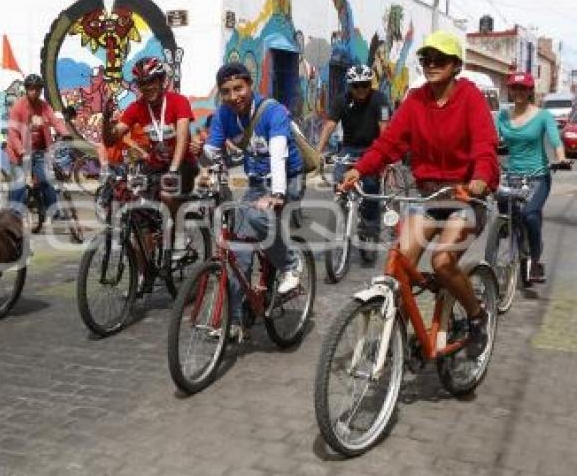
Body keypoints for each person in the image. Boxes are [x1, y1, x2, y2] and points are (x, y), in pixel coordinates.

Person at [342, 30, 499, 357]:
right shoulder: (415, 99)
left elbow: (485, 148)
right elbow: (388, 144)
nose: (431, 65)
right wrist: (360, 168)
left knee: (442, 261)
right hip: (426, 197)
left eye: (439, 59)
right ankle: (398, 333)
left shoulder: (470, 98)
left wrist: (480, 180)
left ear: (456, 65)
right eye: (426, 59)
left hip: (466, 198)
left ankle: (476, 316)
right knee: (400, 263)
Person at [202, 62, 304, 338]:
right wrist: (203, 165)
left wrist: (278, 194)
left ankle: (291, 264)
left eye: (239, 88)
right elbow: (211, 149)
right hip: (257, 183)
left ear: (250, 85)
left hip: (289, 178)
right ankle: (234, 322)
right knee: (238, 252)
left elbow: (278, 155)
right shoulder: (224, 114)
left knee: (259, 217)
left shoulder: (273, 111)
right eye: (226, 91)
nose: (234, 96)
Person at [496, 71, 568, 283]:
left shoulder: (543, 115)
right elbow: (493, 141)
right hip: (511, 176)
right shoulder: (502, 116)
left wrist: (561, 157)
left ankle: (534, 261)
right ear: (510, 90)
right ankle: (517, 243)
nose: (518, 92)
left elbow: (556, 140)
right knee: (508, 213)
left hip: (538, 177)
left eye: (523, 89)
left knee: (529, 215)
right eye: (514, 88)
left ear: (530, 91)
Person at [316, 63, 391, 257]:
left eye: (365, 84)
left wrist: (383, 157)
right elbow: (330, 125)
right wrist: (317, 151)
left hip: (373, 149)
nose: (361, 89)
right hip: (349, 148)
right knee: (339, 179)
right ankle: (342, 212)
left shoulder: (380, 100)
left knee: (371, 187)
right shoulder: (341, 100)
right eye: (356, 85)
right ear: (350, 85)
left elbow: (384, 129)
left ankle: (369, 229)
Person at [102, 56, 197, 196]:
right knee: (128, 194)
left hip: (183, 164)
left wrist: (173, 169)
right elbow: (110, 140)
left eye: (151, 81)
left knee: (167, 194)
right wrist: (106, 118)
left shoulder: (179, 101)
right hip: (155, 167)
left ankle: (174, 218)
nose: (147, 87)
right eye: (142, 83)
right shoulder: (136, 107)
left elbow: (182, 139)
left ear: (161, 80)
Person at [6, 74, 70, 218]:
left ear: (41, 90)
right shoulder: (18, 107)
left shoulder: (44, 105)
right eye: (31, 88)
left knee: (46, 180)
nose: (34, 92)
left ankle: (54, 212)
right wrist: (21, 151)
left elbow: (55, 121)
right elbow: (13, 133)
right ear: (26, 89)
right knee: (20, 183)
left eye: (37, 89)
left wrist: (65, 133)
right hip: (18, 152)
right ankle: (14, 216)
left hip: (38, 149)